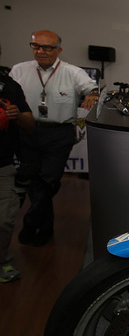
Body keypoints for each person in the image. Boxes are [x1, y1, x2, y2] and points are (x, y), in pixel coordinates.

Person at [10, 30, 99, 247]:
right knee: (34, 181)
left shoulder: (72, 72)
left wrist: (91, 95)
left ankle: (31, 223)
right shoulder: (19, 70)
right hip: (27, 130)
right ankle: (45, 227)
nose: (41, 51)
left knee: (49, 180)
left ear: (58, 50)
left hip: (59, 134)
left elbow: (92, 89)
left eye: (47, 47)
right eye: (36, 46)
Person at [0, 43, 35, 282]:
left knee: (4, 219)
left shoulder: (9, 86)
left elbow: (29, 122)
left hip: (3, 164)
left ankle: (2, 262)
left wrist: (17, 115)